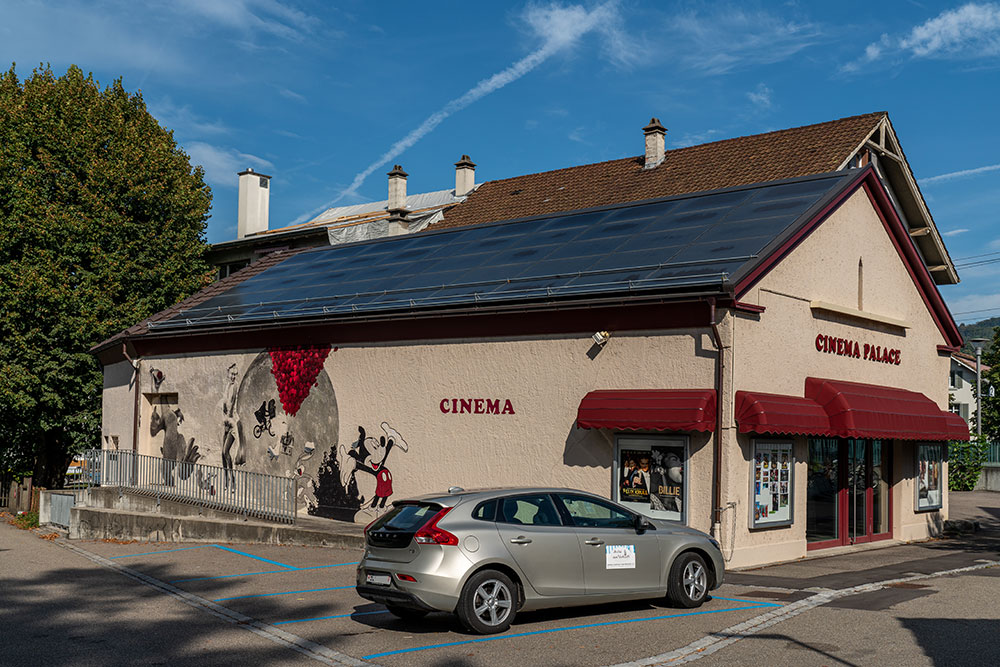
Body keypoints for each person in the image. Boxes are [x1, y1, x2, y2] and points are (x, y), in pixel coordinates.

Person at [220, 364, 243, 493]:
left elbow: (232, 402)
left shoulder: (234, 387)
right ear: (227, 373)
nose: (233, 376)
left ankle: (232, 480)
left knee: (225, 451)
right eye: (232, 374)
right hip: (225, 422)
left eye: (235, 374)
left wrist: (228, 421)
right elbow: (224, 404)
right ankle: (226, 480)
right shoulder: (227, 386)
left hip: (232, 423)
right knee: (222, 454)